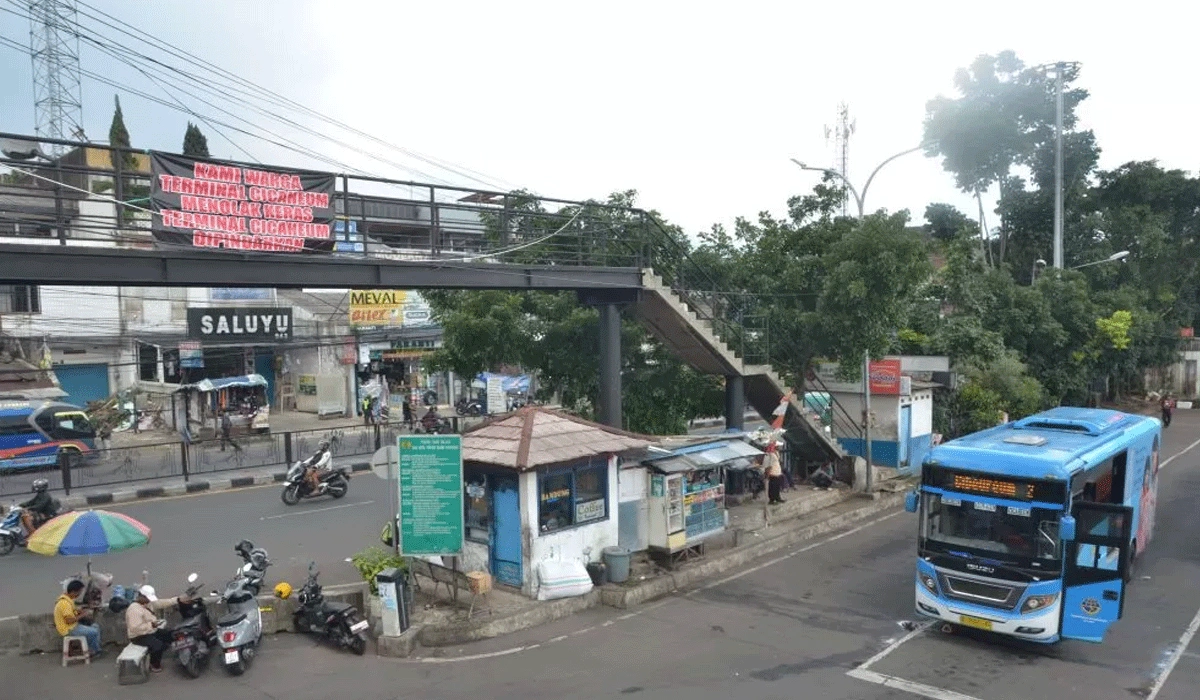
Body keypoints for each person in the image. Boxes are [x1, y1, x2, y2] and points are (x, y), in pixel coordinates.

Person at [125, 585, 187, 673]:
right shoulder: (134, 610)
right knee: (158, 645)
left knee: (171, 634)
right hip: (138, 636)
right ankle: (154, 664)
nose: (149, 600)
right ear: (141, 596)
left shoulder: (148, 604)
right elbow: (135, 628)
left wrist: (177, 599)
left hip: (150, 631)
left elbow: (161, 603)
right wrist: (151, 625)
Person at [55, 579, 102, 658]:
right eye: (79, 592)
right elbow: (69, 620)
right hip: (69, 629)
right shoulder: (64, 603)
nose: (80, 594)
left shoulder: (68, 600)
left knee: (95, 626)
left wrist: (79, 611)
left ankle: (94, 649)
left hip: (72, 626)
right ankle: (94, 651)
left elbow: (72, 611)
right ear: (74, 592)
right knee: (94, 632)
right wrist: (83, 615)